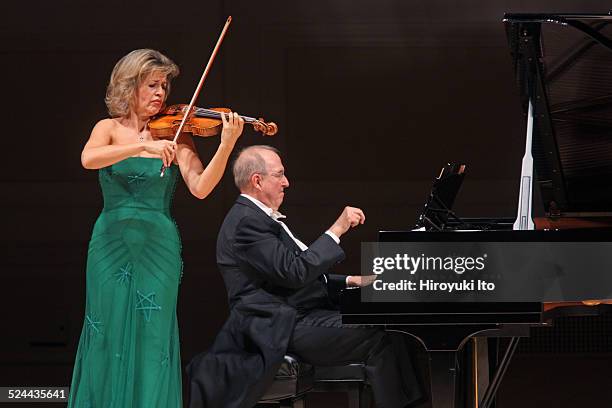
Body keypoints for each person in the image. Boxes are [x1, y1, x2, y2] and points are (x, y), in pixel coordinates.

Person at [68, 49, 244, 408]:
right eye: (152, 85)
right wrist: (144, 146)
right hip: (110, 242)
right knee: (106, 331)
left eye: (164, 86)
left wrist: (225, 147)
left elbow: (200, 187)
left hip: (158, 245)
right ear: (130, 87)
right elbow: (89, 158)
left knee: (154, 337)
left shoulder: (178, 134)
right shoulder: (109, 129)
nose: (160, 93)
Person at [187, 145, 420, 408]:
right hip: (278, 326)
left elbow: (290, 271)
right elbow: (295, 272)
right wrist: (338, 228)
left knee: (393, 326)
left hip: (297, 315)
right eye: (280, 175)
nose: (286, 182)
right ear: (257, 180)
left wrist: (351, 280)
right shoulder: (246, 223)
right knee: (381, 335)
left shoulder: (256, 218)